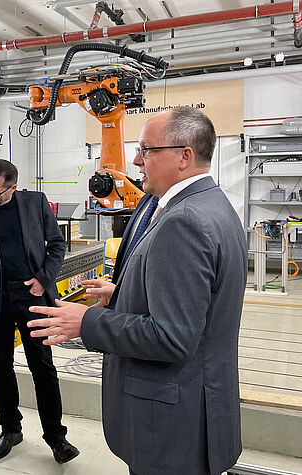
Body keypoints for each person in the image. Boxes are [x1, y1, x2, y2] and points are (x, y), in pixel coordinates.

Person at [28, 107, 247, 475]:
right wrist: (122, 294)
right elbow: (197, 306)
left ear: (184, 156)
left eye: (146, 150)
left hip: (171, 425)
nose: (135, 160)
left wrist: (88, 321)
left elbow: (172, 338)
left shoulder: (183, 222)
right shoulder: (212, 206)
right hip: (197, 407)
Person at [0, 159, 79, 464]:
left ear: (12, 187)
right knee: (1, 367)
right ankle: (10, 430)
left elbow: (56, 245)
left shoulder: (35, 203)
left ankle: (56, 437)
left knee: (43, 367)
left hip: (32, 297)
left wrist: (43, 279)